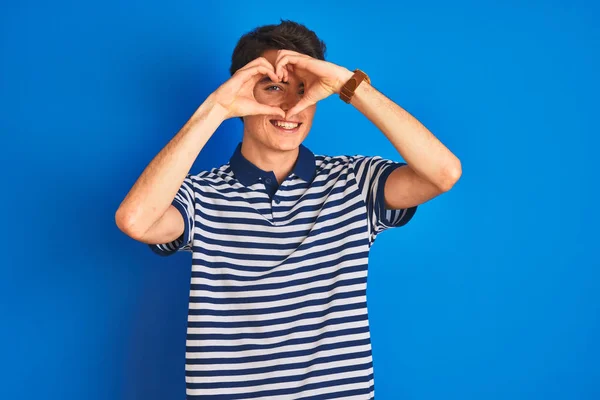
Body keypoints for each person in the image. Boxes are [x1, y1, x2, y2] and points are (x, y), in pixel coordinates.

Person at [116, 19, 461, 400]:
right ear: (244, 91)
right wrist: (217, 107)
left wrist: (349, 84)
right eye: (274, 88)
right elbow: (136, 220)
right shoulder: (201, 196)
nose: (292, 106)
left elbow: (443, 174)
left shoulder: (353, 181)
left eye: (304, 90)